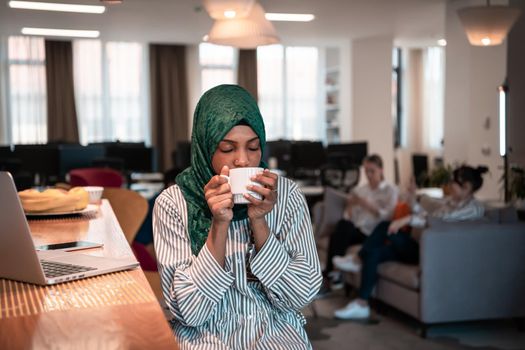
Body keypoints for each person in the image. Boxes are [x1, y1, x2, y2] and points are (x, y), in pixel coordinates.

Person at [152, 84, 322, 349]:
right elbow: (189, 313)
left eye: (253, 148)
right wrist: (219, 224)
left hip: (275, 333)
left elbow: (301, 295)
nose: (243, 161)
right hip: (205, 338)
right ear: (205, 147)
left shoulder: (286, 196)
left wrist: (259, 221)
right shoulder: (173, 204)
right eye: (228, 148)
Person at [333, 165, 488, 320]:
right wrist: (412, 197)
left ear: (466, 187)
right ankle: (362, 303)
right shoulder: (450, 202)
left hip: (429, 253)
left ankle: (356, 259)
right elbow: (424, 213)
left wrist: (406, 219)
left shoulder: (474, 208)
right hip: (417, 247)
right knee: (373, 253)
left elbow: (441, 221)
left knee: (385, 226)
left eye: (453, 182)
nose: (449, 185)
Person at [320, 154, 398, 293]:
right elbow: (350, 215)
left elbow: (389, 216)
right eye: (366, 171)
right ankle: (333, 275)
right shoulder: (362, 190)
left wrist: (369, 205)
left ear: (381, 170)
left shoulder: (390, 190)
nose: (368, 175)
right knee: (342, 227)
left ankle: (330, 276)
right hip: (358, 229)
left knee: (342, 230)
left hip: (373, 232)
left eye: (372, 171)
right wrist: (350, 206)